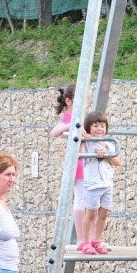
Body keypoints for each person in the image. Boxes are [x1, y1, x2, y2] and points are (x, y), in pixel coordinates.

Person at [79, 111, 121, 255]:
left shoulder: (109, 143)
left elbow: (117, 162)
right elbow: (80, 152)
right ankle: (85, 241)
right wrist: (83, 138)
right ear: (89, 128)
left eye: (102, 126)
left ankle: (96, 240)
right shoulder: (88, 143)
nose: (99, 129)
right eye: (95, 126)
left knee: (103, 214)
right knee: (91, 214)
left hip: (107, 184)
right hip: (93, 184)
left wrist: (106, 155)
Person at [49, 83, 88, 243]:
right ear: (69, 101)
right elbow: (54, 132)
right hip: (79, 162)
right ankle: (82, 239)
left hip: (87, 161)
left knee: (90, 201)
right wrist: (70, 126)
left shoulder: (81, 117)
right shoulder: (70, 117)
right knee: (81, 199)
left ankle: (89, 238)